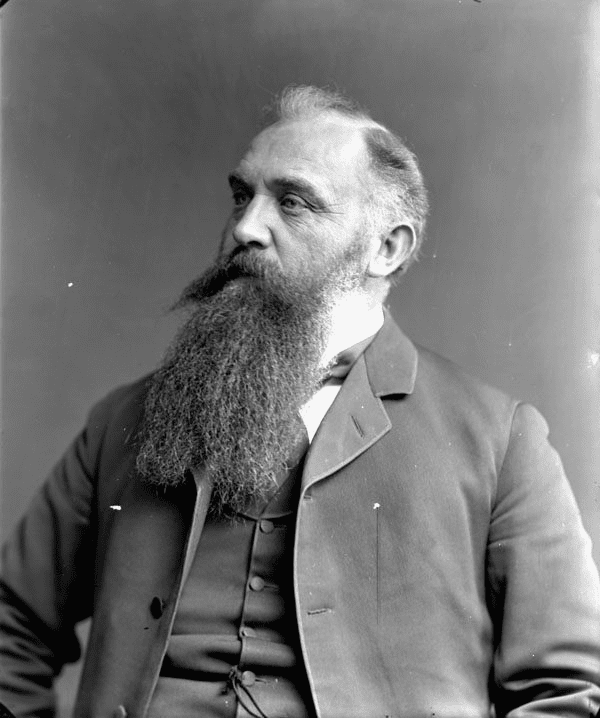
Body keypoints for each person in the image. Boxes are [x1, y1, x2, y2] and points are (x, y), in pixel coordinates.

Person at [1, 85, 599, 718]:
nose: (244, 228)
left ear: (386, 249)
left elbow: (567, 690)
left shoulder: (500, 441)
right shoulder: (123, 421)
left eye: (292, 202)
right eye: (243, 195)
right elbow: (10, 625)